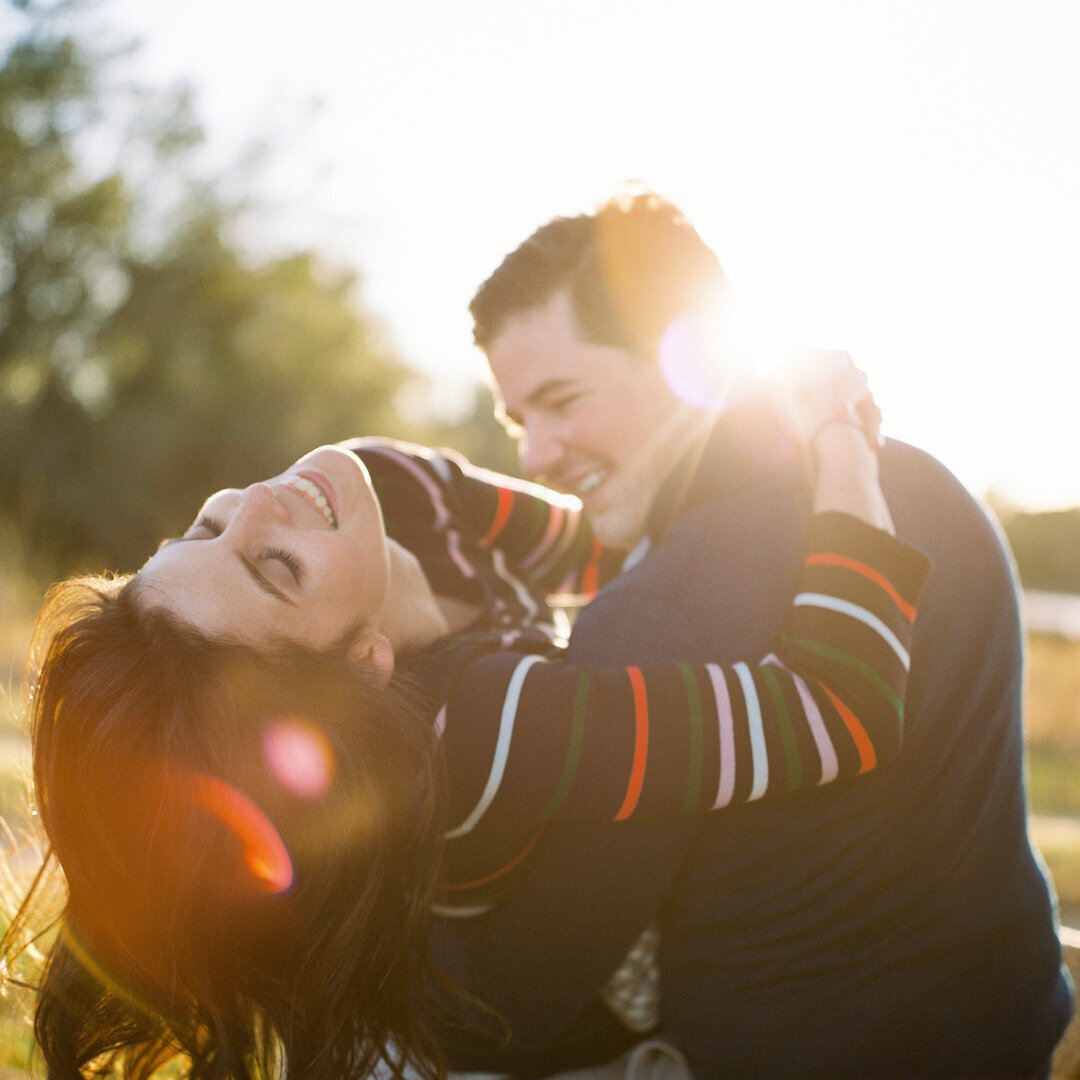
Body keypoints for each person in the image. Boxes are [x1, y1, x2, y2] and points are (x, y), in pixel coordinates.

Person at [3, 366, 927, 1080]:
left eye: (205, 527)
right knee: (654, 628)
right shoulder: (485, 728)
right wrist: (842, 440)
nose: (256, 502)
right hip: (485, 997)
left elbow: (608, 543)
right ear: (365, 669)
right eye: (277, 568)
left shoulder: (388, 482)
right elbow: (840, 707)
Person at [421, 190, 1073, 1080]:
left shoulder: (666, 603)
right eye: (517, 421)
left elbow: (520, 996)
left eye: (562, 400)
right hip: (1008, 1035)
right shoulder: (920, 482)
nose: (536, 454)